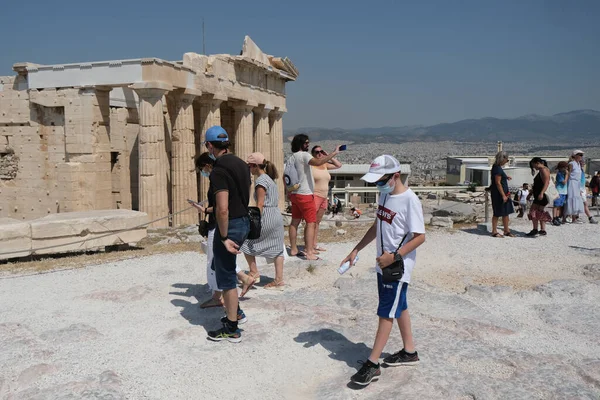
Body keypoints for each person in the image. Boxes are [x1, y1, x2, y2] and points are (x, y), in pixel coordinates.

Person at [340, 155, 425, 386]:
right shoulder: (386, 195)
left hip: (397, 267)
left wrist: (394, 257)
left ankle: (373, 362)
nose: (378, 185)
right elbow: (377, 225)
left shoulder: (410, 200)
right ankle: (409, 352)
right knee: (399, 305)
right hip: (384, 264)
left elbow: (420, 237)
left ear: (395, 176)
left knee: (386, 311)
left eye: (381, 180)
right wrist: (356, 249)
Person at [204, 126, 251, 343]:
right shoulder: (241, 164)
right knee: (225, 268)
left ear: (210, 146)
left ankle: (232, 328)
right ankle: (235, 313)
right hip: (243, 221)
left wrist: (223, 237)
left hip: (229, 225)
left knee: (226, 277)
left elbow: (222, 208)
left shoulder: (219, 170)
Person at [191, 153, 254, 309]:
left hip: (221, 225)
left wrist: (224, 236)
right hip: (238, 222)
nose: (202, 172)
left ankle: (231, 311)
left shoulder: (218, 176)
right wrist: (204, 209)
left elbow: (222, 208)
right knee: (219, 261)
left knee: (215, 262)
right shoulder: (234, 172)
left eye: (201, 169)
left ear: (206, 165)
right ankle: (241, 281)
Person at [287, 134, 341, 260]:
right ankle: (309, 252)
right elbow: (318, 162)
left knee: (295, 222)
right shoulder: (304, 155)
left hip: (295, 193)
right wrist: (333, 153)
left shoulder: (292, 157)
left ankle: (294, 249)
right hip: (305, 194)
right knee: (311, 223)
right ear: (301, 144)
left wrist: (288, 193)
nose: (308, 144)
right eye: (306, 143)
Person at [240, 152, 287, 290]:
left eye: (249, 166)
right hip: (276, 215)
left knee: (245, 242)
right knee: (277, 248)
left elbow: (260, 203)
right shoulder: (270, 179)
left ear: (254, 166)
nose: (249, 169)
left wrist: (255, 221)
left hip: (266, 215)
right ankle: (279, 279)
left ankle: (254, 271)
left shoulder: (260, 181)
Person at [310, 145, 342, 252]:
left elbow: (338, 165)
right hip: (314, 195)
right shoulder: (311, 165)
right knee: (311, 222)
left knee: (317, 222)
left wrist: (328, 155)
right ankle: (309, 246)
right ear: (312, 154)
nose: (319, 153)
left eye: (321, 151)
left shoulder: (324, 164)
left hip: (324, 196)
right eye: (316, 152)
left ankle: (314, 244)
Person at [489, 151, 515, 238]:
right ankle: (494, 231)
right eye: (506, 160)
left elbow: (499, 178)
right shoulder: (497, 168)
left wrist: (506, 177)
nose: (506, 162)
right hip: (499, 194)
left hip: (504, 193)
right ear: (502, 158)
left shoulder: (497, 167)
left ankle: (506, 230)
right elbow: (498, 183)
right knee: (497, 213)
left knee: (506, 212)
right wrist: (503, 195)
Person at [526, 157, 552, 237]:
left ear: (537, 163)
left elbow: (546, 182)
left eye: (534, 165)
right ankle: (542, 229)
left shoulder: (543, 170)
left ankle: (535, 229)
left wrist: (541, 193)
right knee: (540, 211)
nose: (534, 167)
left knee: (533, 211)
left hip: (541, 194)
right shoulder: (544, 169)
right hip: (539, 194)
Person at [564, 150, 584, 223]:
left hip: (577, 183)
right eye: (580, 155)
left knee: (577, 198)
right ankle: (568, 217)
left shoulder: (578, 164)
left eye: (582, 155)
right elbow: (568, 173)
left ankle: (574, 217)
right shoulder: (571, 164)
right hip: (572, 183)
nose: (581, 156)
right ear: (575, 155)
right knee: (571, 198)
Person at [579, 159, 598, 224]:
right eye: (582, 162)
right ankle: (590, 217)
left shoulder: (581, 170)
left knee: (583, 204)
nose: (584, 164)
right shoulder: (578, 170)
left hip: (582, 189)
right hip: (580, 189)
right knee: (585, 204)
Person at [552, 161, 568, 226]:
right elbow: (564, 182)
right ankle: (554, 218)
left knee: (559, 206)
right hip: (559, 191)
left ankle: (558, 217)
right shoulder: (559, 174)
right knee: (556, 206)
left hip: (563, 192)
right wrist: (567, 175)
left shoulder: (563, 174)